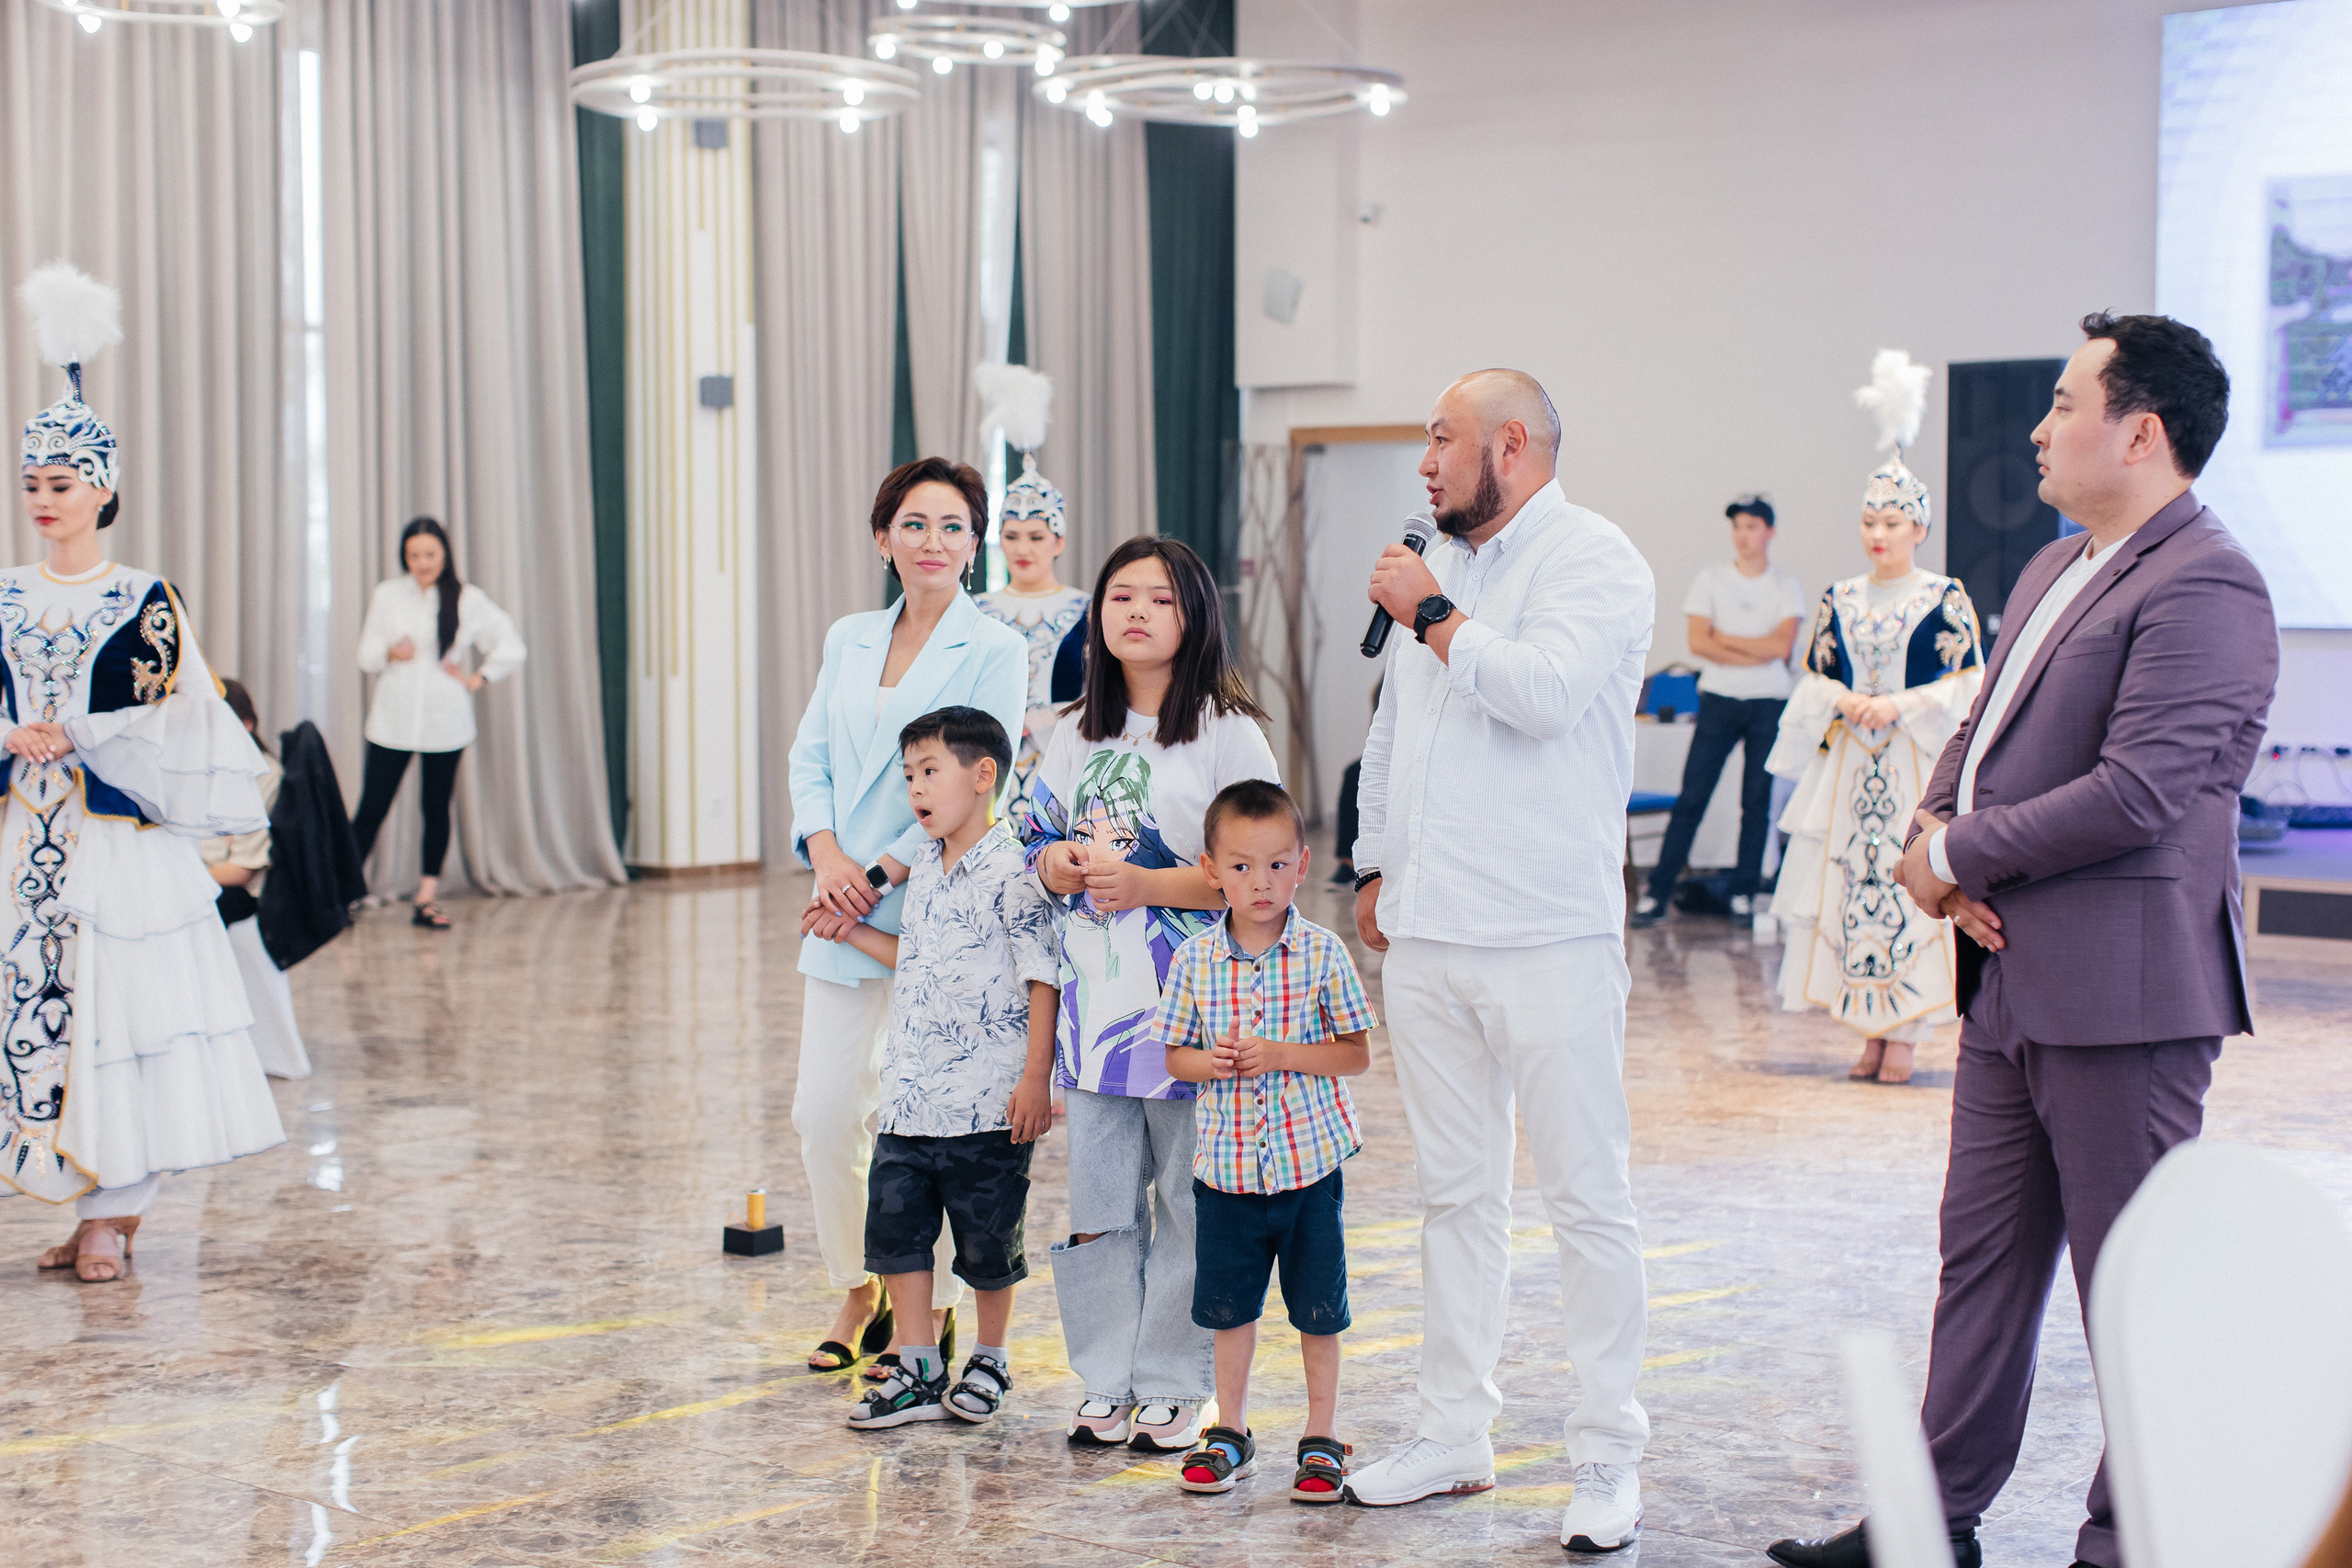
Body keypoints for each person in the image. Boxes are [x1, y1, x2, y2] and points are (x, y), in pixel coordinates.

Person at [1769, 313, 2278, 1568]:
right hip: (2007, 975)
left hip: (2129, 994)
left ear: (2140, 430)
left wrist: (1950, 857)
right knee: (1981, 1262)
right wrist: (1939, 822)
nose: (2040, 428)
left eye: (2063, 404)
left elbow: (2142, 788)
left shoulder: (2210, 581)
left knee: (2134, 1288)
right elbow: (1977, 730)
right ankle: (1925, 1518)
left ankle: (2129, 1538)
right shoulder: (2055, 568)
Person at [1346, 368, 1654, 1553]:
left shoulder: (1592, 557)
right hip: (1428, 932)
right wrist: (1376, 860)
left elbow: (1541, 694)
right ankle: (1451, 1433)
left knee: (1586, 1198)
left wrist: (1432, 613)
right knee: (1453, 1198)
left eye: (1441, 440)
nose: (1423, 464)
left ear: (1511, 444)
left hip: (1547, 934)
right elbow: (1393, 727)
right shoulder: (1449, 569)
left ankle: (1605, 1455)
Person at [9, 263, 280, 1281]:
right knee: (45, 1018)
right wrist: (13, 737)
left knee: (124, 1019)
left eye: (61, 484)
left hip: (113, 845)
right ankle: (76, 1200)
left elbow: (183, 716)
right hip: (20, 837)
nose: (43, 500)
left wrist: (81, 733)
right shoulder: (2, 596)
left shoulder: (143, 596)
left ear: (103, 490)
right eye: (31, 484)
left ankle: (111, 1220)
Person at [1022, 535, 1279, 1453]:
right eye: (1119, 595)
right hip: (1094, 1021)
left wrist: (1144, 885)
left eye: (1159, 599)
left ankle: (1173, 1381)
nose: (1134, 612)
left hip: (1194, 1017)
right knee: (1096, 1209)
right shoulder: (1072, 731)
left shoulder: (1228, 730)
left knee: (1188, 1204)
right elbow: (1031, 842)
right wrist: (1055, 860)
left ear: (1195, 614)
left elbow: (1258, 872)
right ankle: (1103, 1378)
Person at [786, 457, 1026, 1378]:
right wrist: (830, 860)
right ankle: (862, 1283)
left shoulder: (996, 647)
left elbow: (981, 777)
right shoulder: (848, 636)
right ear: (883, 537)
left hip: (944, 910)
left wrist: (883, 868)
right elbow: (810, 759)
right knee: (823, 1114)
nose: (934, 542)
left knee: (948, 1121)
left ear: (975, 545)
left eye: (955, 526)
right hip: (840, 906)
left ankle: (950, 1310)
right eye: (915, 524)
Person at [800, 707, 1059, 1431]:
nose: (914, 787)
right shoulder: (927, 868)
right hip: (910, 1100)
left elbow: (1044, 976)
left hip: (987, 1103)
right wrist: (852, 930)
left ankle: (991, 1357)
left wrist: (1036, 1077)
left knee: (987, 1243)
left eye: (929, 771)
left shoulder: (1015, 869)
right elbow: (913, 958)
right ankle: (918, 1365)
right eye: (909, 774)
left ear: (983, 777)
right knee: (898, 1235)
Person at [1765, 354, 1984, 1086]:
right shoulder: (1840, 596)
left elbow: (1968, 684)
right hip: (1854, 763)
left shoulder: (1945, 596)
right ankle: (1866, 1030)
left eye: (1891, 520)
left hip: (1914, 763)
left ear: (1918, 525)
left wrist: (1902, 703)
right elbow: (1816, 674)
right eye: (1868, 519)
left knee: (1906, 883)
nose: (1877, 532)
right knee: (1850, 884)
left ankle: (1910, 1035)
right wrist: (1843, 700)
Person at [1159, 779, 1376, 1502]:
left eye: (1278, 864)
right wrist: (1207, 1062)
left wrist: (1282, 1051)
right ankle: (1231, 1431)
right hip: (1225, 1174)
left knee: (1319, 1309)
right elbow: (1175, 1056)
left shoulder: (1321, 953)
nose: (1261, 882)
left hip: (1308, 1170)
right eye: (1243, 866)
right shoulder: (1194, 961)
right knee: (1229, 1310)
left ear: (1303, 863)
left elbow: (1355, 1053)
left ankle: (1321, 1435)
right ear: (1211, 868)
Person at [1629, 494, 1807, 926]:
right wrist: (1757, 649)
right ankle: (1657, 892)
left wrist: (1728, 639)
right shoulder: (1710, 580)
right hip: (1720, 699)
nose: (1743, 535)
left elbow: (1782, 647)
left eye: (1751, 526)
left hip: (1769, 703)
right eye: (1738, 527)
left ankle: (1745, 892)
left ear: (1769, 532)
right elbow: (1699, 643)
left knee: (1757, 799)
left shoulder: (1786, 586)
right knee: (1693, 795)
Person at [350, 516, 526, 928]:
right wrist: (392, 653)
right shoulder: (388, 595)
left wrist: (478, 678)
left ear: (444, 554)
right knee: (372, 807)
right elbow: (365, 655)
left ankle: (426, 898)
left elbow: (511, 644)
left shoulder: (466, 599)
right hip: (392, 719)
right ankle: (345, 893)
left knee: (436, 807)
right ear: (404, 558)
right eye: (414, 556)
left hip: (445, 720)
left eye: (429, 554)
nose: (422, 563)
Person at [971, 364, 1089, 818]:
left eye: (1036, 537)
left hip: (1064, 758)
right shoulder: (978, 609)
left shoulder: (1086, 609)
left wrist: (1048, 719)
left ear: (1058, 540)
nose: (1023, 548)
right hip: (989, 762)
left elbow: (1104, 692)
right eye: (1013, 535)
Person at [207, 679, 311, 1080]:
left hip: (234, 893)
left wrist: (181, 878)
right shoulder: (199, 770)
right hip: (205, 879)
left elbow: (240, 871)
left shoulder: (265, 779)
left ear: (247, 725)